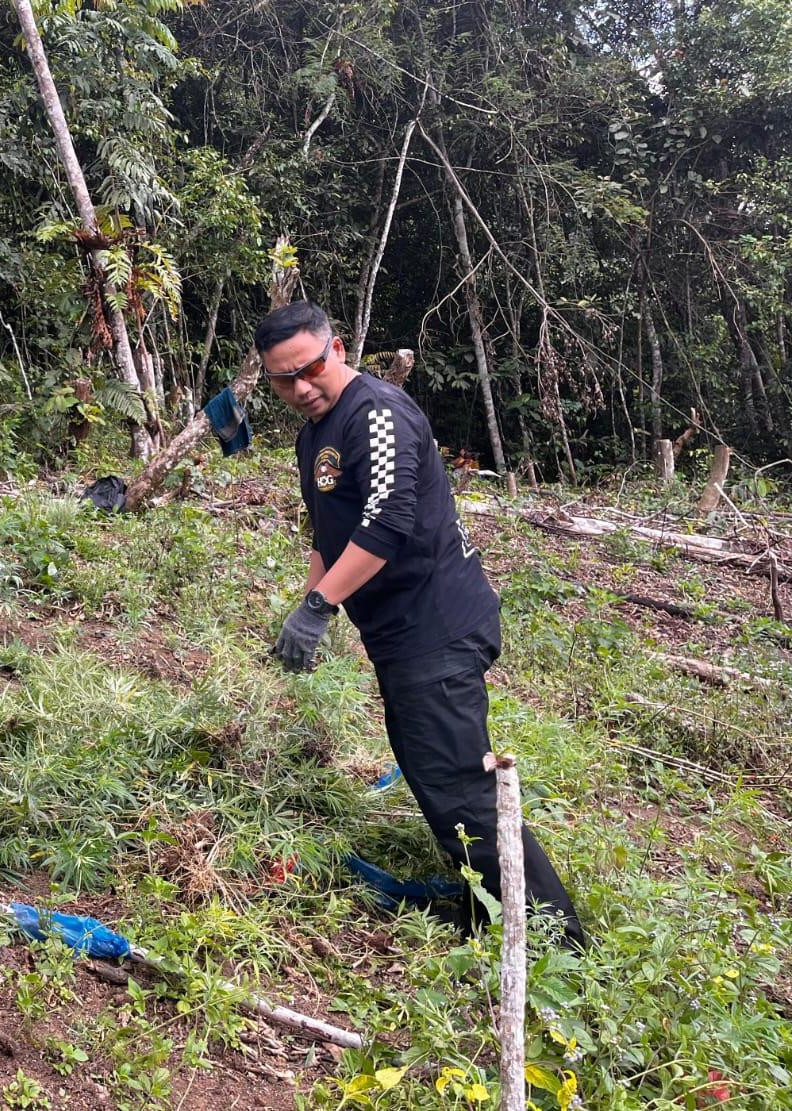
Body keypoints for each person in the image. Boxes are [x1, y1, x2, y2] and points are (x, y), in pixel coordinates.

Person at [259, 301, 586, 949]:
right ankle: (487, 905)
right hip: (401, 636)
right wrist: (306, 608)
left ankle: (557, 938)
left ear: (339, 349)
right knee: (430, 771)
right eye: (282, 378)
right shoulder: (312, 435)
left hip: (438, 626)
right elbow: (328, 534)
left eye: (310, 369)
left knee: (461, 784)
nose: (300, 388)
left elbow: (386, 522)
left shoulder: (377, 414)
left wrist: (321, 606)